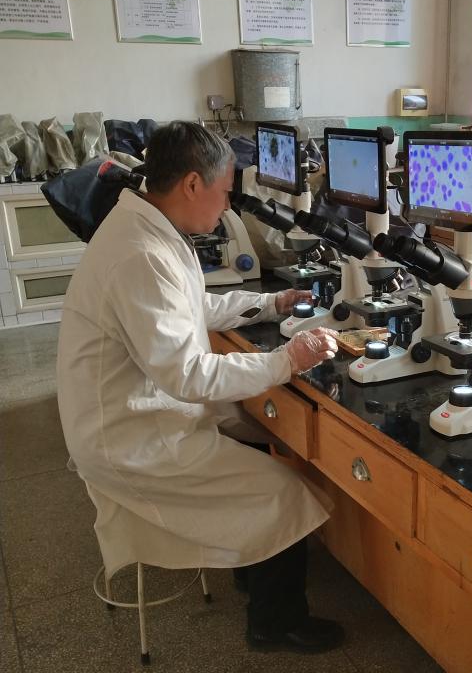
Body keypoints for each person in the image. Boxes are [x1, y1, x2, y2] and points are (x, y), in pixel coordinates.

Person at [56, 121, 343, 654]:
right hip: (130, 436)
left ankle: (252, 569)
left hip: (137, 409)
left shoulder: (146, 225)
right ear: (192, 183)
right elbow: (186, 374)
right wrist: (287, 360)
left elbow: (188, 307)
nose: (227, 203)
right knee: (282, 492)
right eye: (225, 190)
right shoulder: (141, 252)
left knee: (253, 434)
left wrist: (270, 303)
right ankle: (274, 623)